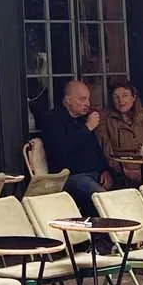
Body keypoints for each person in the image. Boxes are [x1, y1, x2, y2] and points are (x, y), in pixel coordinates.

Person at [39, 79, 112, 215]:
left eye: (88, 99)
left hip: (94, 174)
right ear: (68, 100)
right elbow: (60, 149)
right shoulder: (53, 119)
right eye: (82, 99)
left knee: (122, 192)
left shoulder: (83, 120)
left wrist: (104, 170)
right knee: (103, 198)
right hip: (70, 176)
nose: (87, 104)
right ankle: (114, 234)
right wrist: (87, 128)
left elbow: (96, 150)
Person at [100, 80, 143, 184]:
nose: (121, 100)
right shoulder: (104, 119)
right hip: (119, 171)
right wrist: (125, 171)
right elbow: (106, 151)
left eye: (125, 95)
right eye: (116, 97)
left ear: (133, 97)